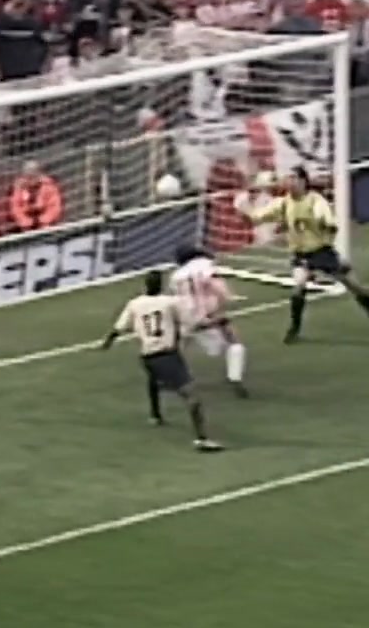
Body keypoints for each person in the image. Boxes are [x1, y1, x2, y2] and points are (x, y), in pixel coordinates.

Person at [236, 166, 369, 343]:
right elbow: (256, 218)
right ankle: (294, 328)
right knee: (298, 287)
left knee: (354, 286)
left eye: (293, 178)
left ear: (303, 181)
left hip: (322, 252)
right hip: (301, 256)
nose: (289, 181)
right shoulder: (283, 203)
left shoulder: (316, 201)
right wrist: (243, 213)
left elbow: (328, 223)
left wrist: (321, 225)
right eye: (287, 178)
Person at [102, 268, 223, 451]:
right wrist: (216, 322)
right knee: (192, 396)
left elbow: (118, 328)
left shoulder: (135, 304)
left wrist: (107, 343)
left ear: (145, 285)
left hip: (147, 356)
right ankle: (201, 439)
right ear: (162, 286)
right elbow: (192, 323)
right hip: (166, 355)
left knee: (153, 378)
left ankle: (155, 414)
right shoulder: (170, 302)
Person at [169, 245, 249, 397]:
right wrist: (228, 298)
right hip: (207, 316)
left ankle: (173, 376)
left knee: (179, 346)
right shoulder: (206, 265)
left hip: (185, 317)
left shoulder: (176, 275)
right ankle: (235, 378)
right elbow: (217, 285)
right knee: (234, 343)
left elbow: (177, 296)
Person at [9, 160, 63, 231]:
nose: (31, 179)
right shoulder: (19, 189)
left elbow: (54, 208)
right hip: (25, 226)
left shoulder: (49, 186)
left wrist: (42, 221)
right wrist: (27, 222)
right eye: (28, 176)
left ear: (39, 174)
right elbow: (15, 209)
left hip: (47, 225)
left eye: (34, 175)